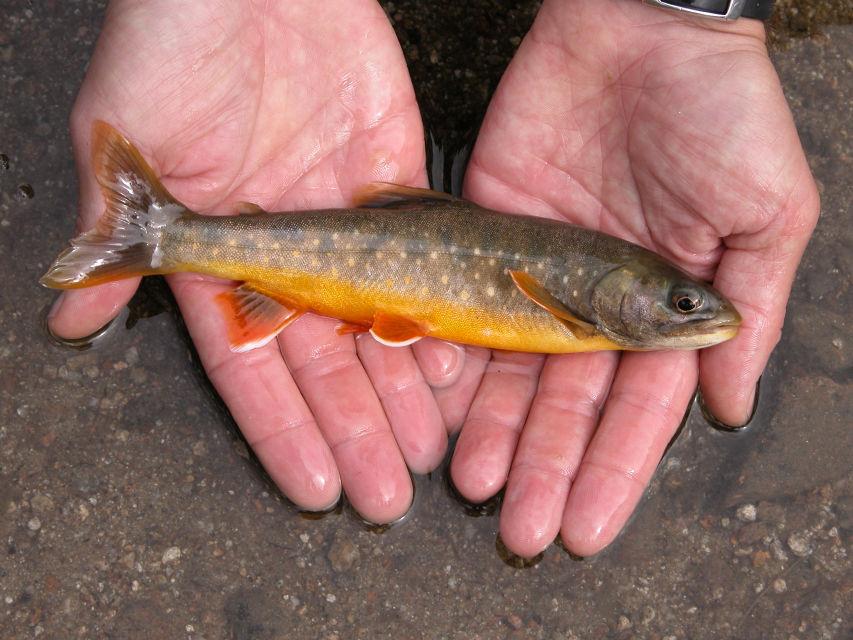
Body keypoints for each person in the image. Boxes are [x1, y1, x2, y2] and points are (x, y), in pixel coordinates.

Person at [47, 0, 818, 558]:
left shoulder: (587, 307)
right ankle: (163, 234)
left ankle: (168, 236)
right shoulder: (576, 318)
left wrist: (680, 21)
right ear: (621, 289)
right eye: (682, 305)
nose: (695, 315)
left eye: (685, 306)